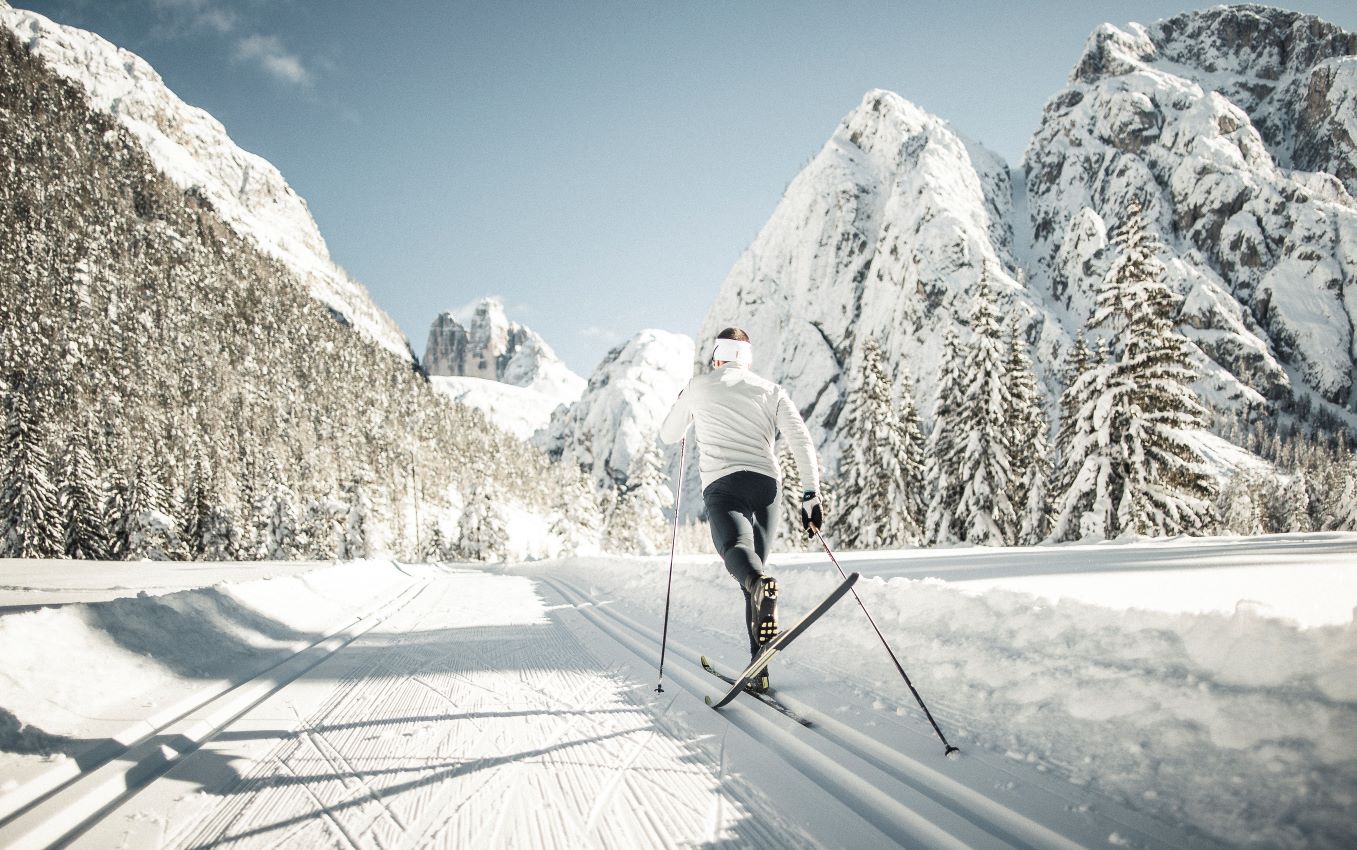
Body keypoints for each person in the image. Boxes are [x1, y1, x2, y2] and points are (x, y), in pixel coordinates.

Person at [659, 327, 824, 692]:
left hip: (724, 485)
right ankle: (758, 667)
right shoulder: (771, 390)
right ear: (747, 359)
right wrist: (811, 493)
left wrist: (684, 400)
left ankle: (758, 650)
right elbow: (800, 438)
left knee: (742, 561)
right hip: (767, 486)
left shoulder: (700, 385)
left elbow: (669, 434)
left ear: (717, 357)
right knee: (756, 575)